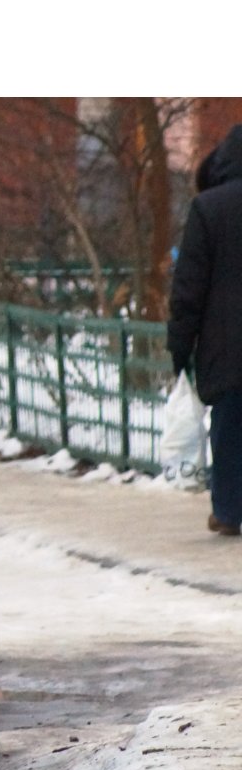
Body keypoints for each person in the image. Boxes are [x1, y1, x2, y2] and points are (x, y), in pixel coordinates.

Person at [168, 124, 242, 536]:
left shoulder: (209, 208)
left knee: (230, 428)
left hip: (226, 348)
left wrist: (180, 347)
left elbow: (189, 288)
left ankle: (229, 511)